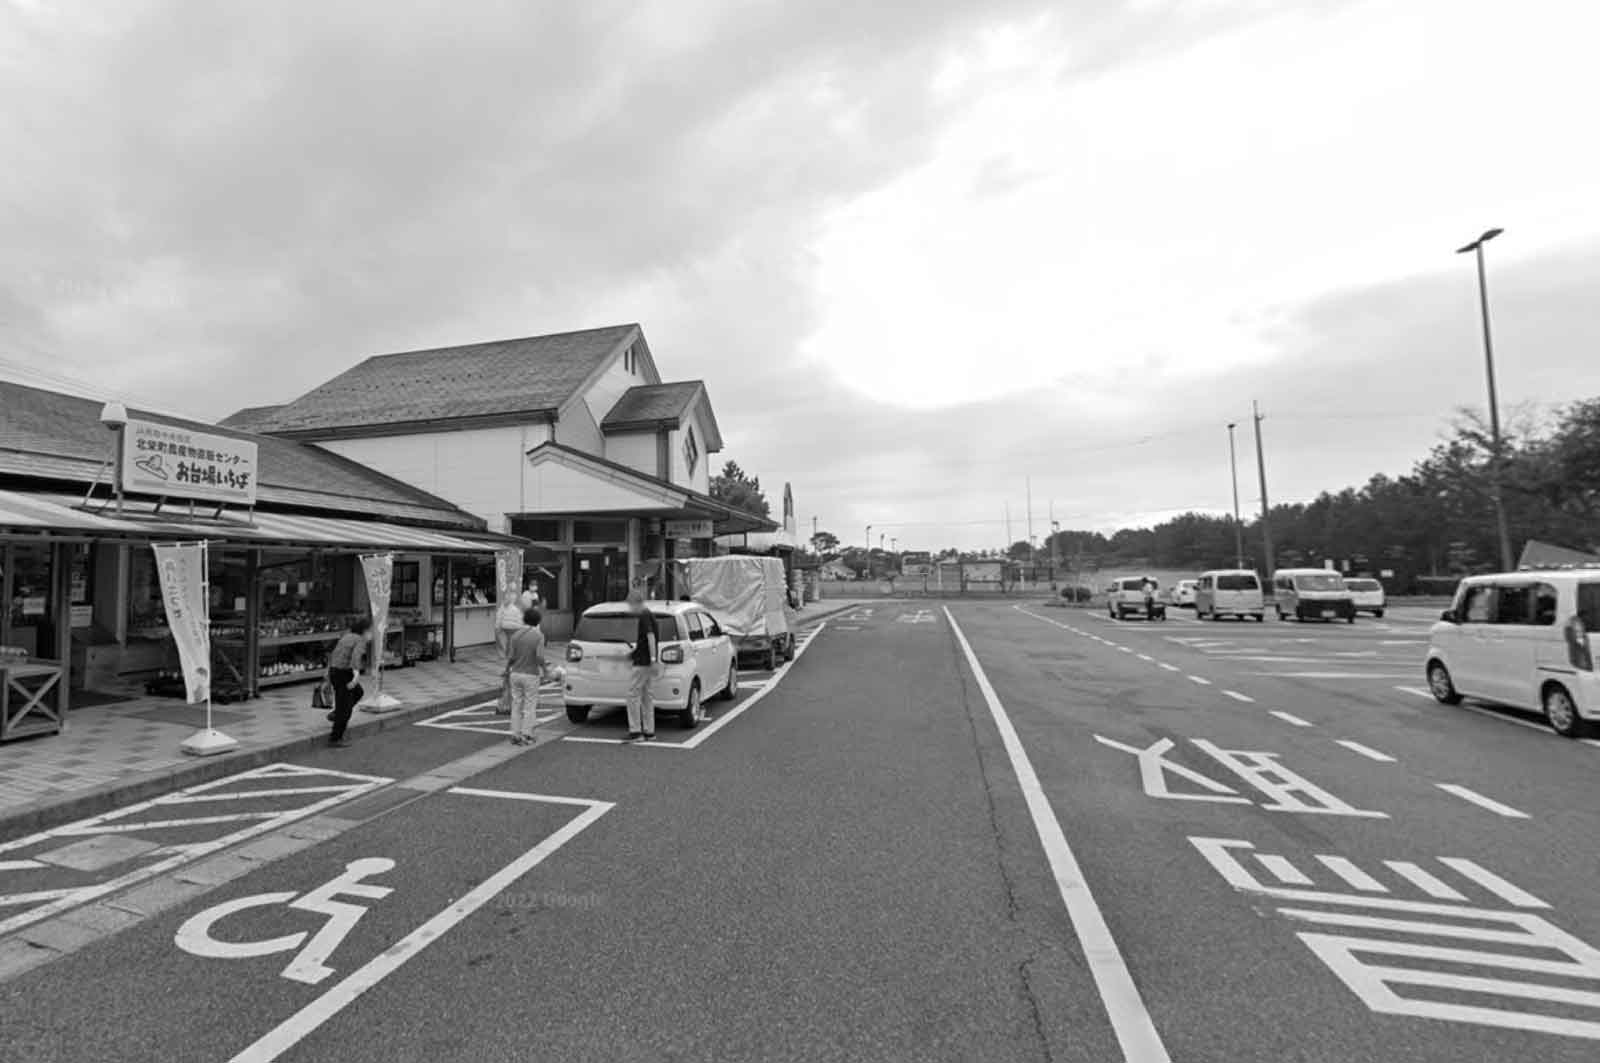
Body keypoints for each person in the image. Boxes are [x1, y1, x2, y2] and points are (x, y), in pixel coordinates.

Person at [326, 616, 372, 748]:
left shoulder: (346, 636)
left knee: (358, 692)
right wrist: (356, 675)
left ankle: (336, 714)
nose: (372, 634)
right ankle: (335, 738)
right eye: (370, 631)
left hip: (335, 671)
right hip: (344, 673)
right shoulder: (360, 640)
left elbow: (334, 654)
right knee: (345, 708)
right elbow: (356, 658)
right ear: (364, 631)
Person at [506, 607, 548, 745]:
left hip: (515, 673)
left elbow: (511, 657)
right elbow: (540, 657)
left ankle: (515, 734)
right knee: (530, 705)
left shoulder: (515, 635)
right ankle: (527, 734)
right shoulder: (539, 636)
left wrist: (507, 669)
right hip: (531, 674)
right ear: (537, 621)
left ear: (524, 619)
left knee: (516, 704)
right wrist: (545, 670)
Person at [623, 589, 658, 742]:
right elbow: (647, 639)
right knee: (647, 696)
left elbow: (650, 637)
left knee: (632, 695)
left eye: (630, 605)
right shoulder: (649, 614)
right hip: (647, 661)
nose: (630, 609)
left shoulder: (644, 615)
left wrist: (652, 658)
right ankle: (649, 731)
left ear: (636, 602)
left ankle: (635, 732)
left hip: (643, 663)